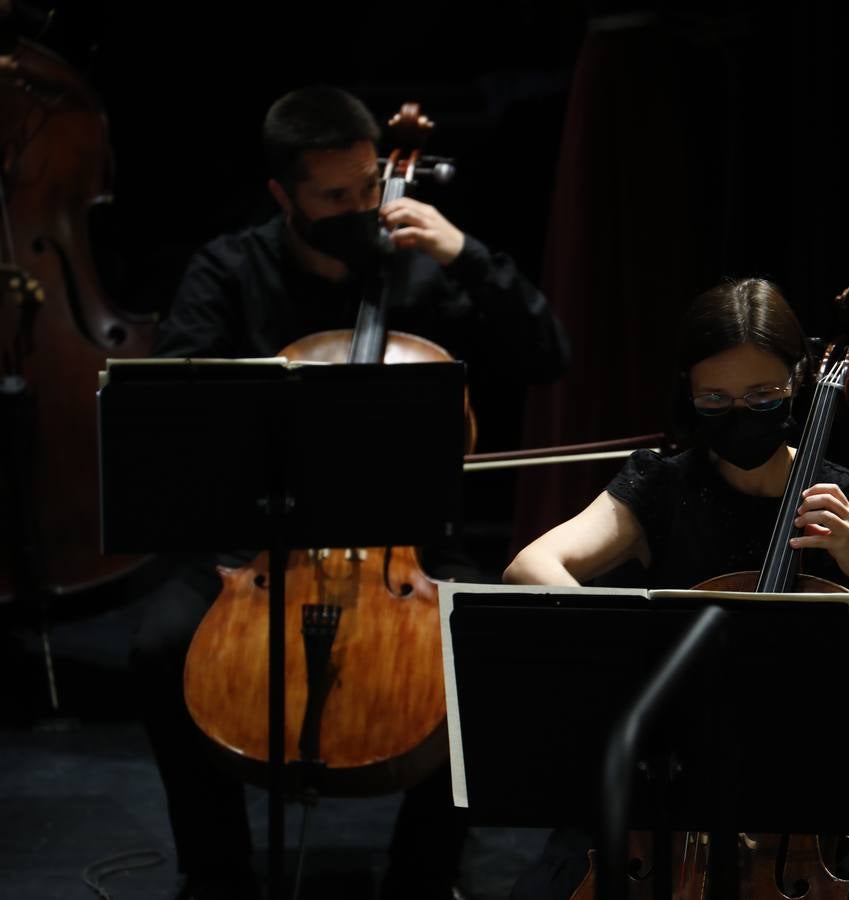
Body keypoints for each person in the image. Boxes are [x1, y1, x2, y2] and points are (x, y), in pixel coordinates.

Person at [130, 85, 569, 900]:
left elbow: (547, 352)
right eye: (334, 196)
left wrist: (464, 251)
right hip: (257, 538)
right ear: (281, 195)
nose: (362, 207)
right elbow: (183, 411)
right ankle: (218, 870)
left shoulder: (423, 268)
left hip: (408, 542)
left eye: (371, 186)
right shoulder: (228, 271)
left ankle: (423, 874)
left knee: (487, 641)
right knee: (159, 644)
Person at [502, 277, 849, 900]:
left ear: (801, 379)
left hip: (816, 815)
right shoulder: (662, 488)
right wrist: (635, 640)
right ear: (689, 393)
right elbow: (530, 567)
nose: (740, 414)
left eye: (762, 396)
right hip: (667, 803)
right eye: (714, 399)